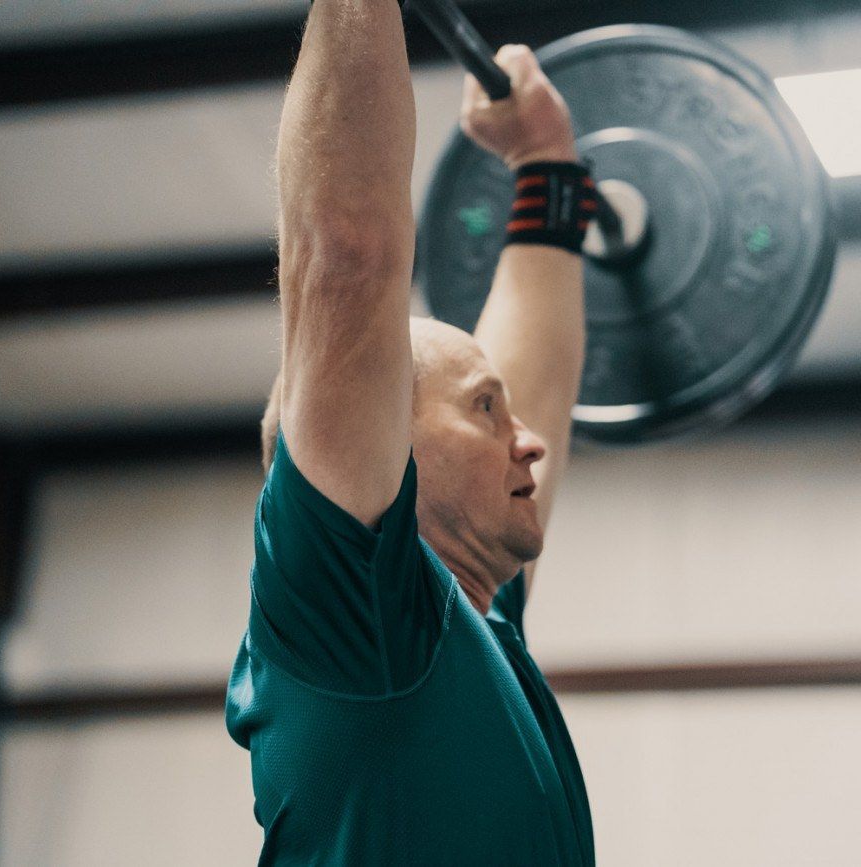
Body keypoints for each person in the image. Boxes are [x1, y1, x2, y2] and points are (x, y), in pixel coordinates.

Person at [226, 1, 597, 863]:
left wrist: (546, 161)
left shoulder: (468, 626)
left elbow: (532, 372)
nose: (530, 441)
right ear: (384, 439)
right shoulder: (358, 617)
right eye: (484, 412)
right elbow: (347, 257)